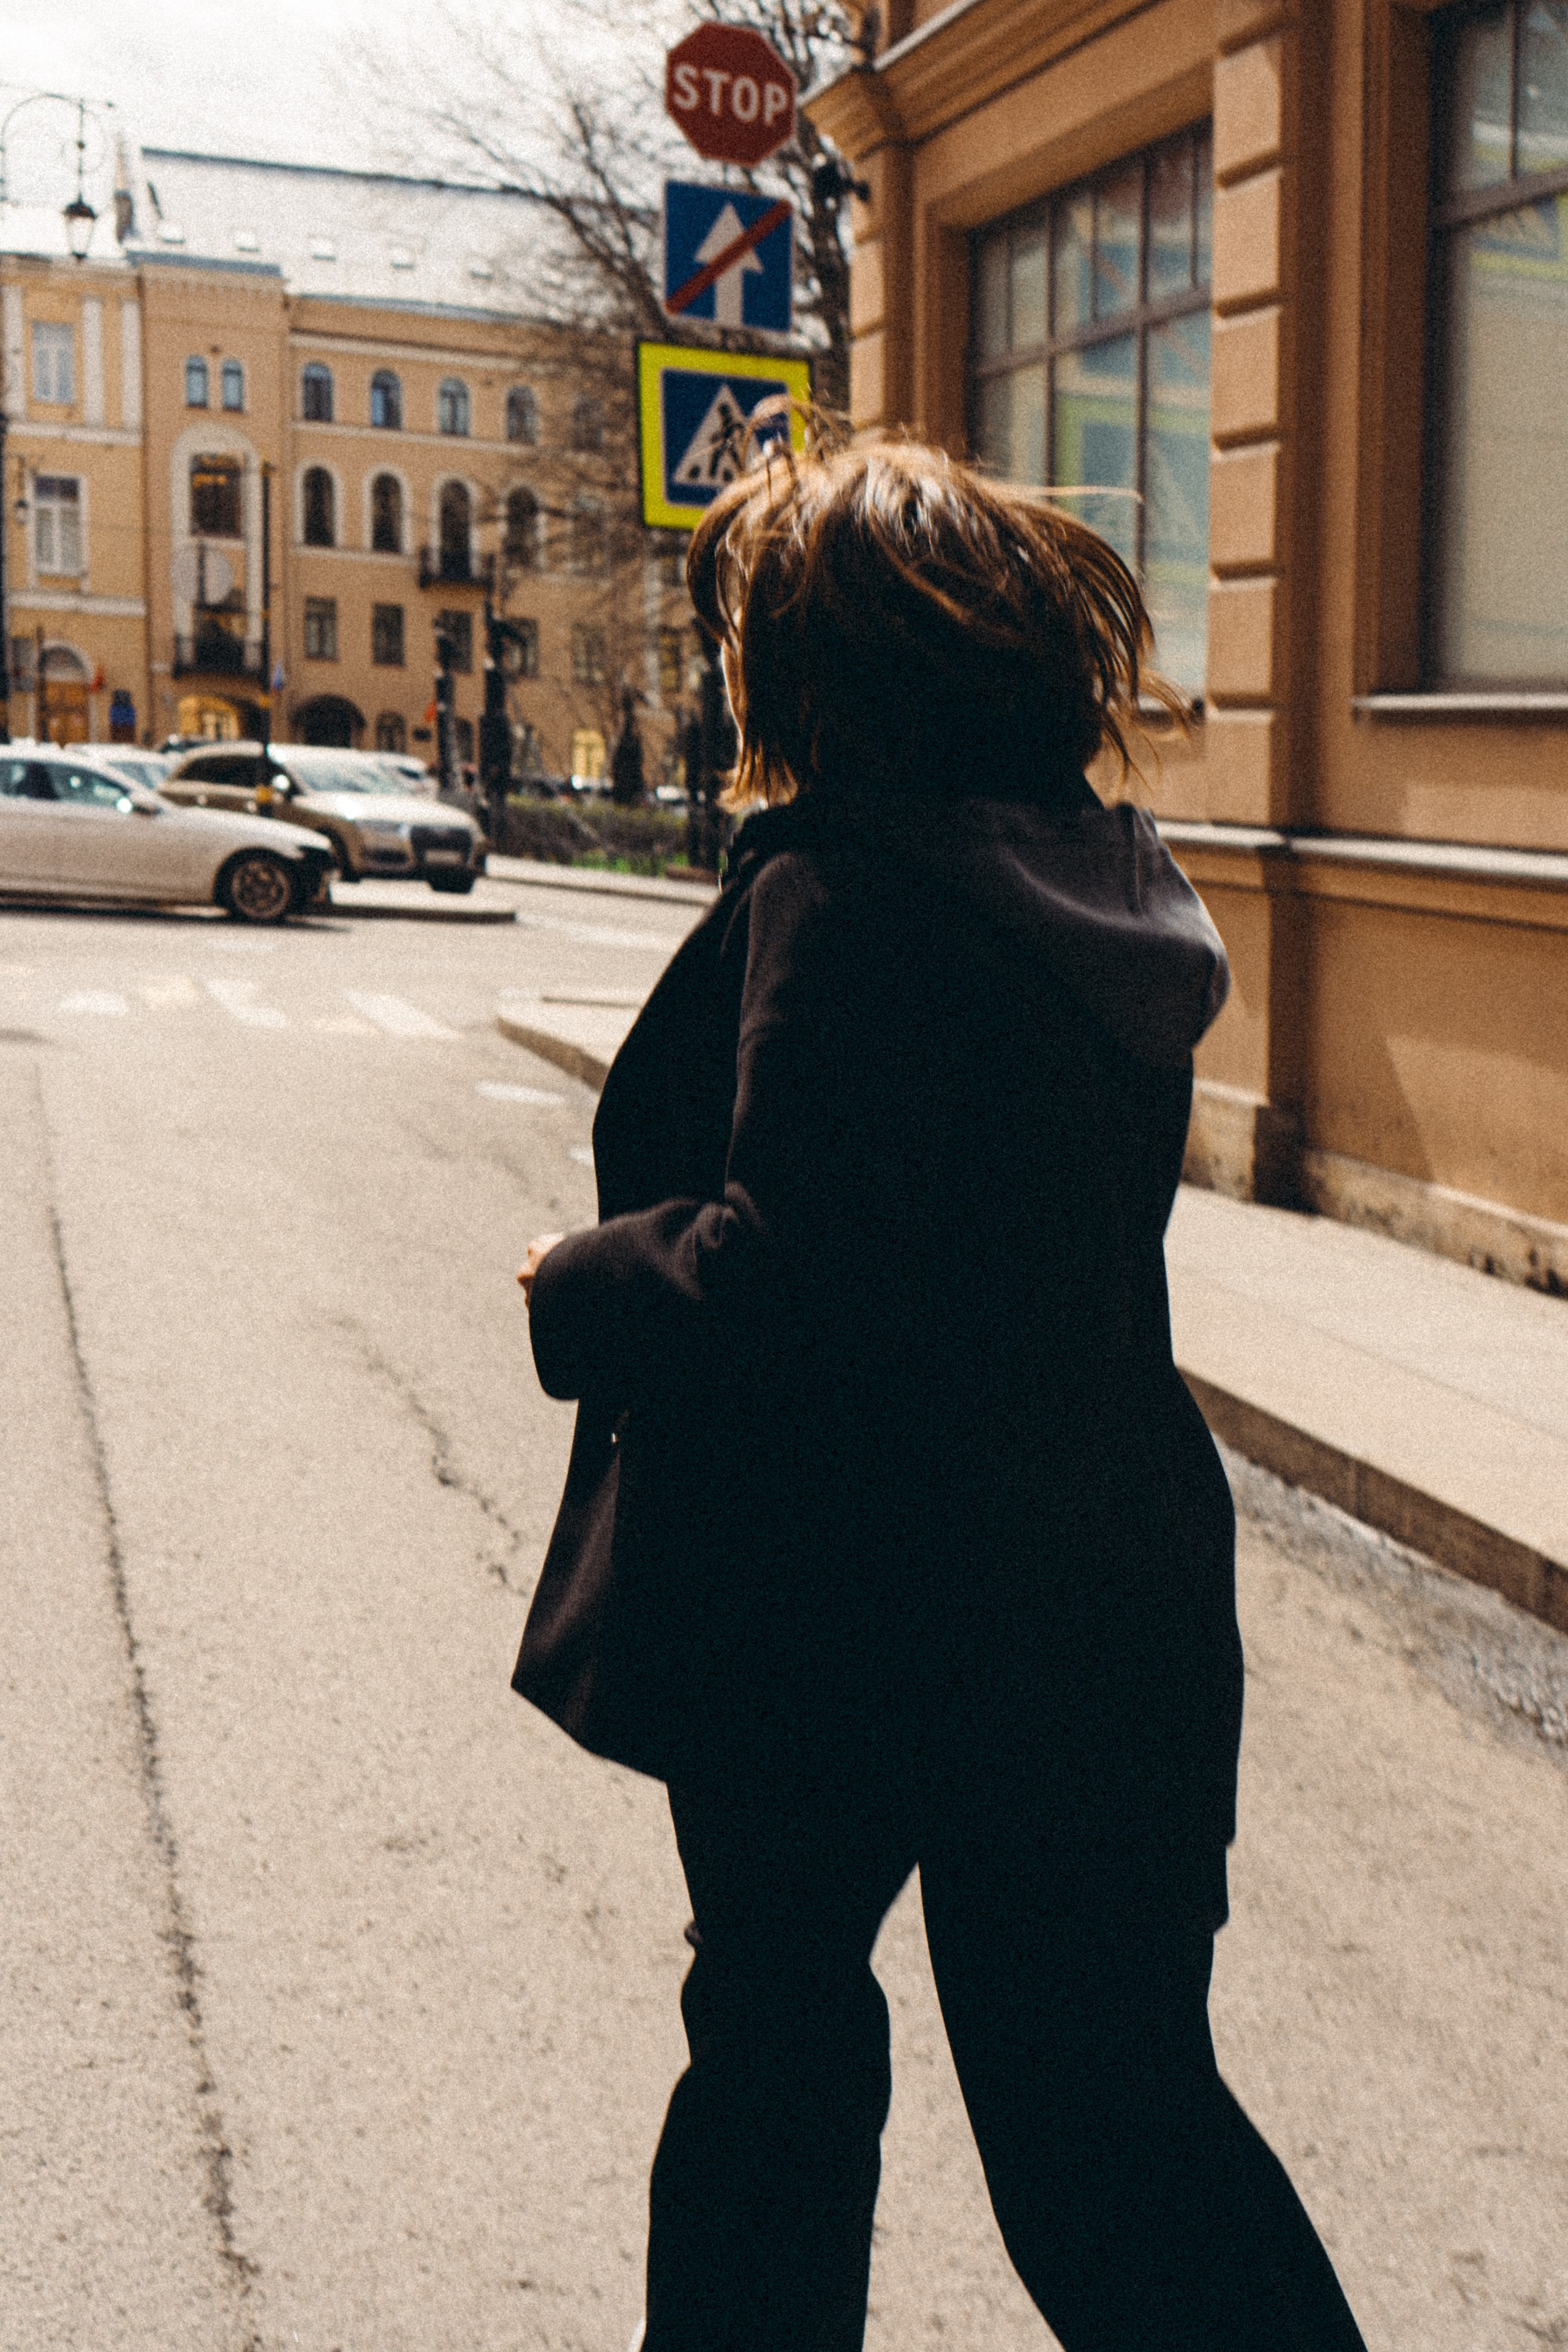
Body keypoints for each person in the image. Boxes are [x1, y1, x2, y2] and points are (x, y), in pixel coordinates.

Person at [514, 432, 1368, 2352]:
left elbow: (790, 1271)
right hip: (1098, 1583)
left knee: (780, 2062)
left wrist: (580, 1279)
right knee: (1117, 2116)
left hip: (844, 1601)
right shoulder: (1100, 883)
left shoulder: (853, 889)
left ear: (819, 664)